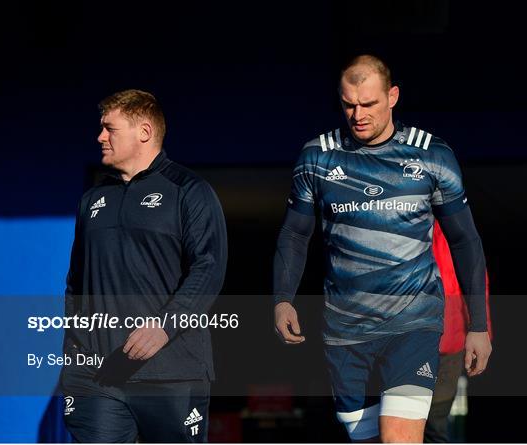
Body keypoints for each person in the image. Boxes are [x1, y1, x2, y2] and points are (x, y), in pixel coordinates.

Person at [273, 55, 492, 443]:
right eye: (348, 104)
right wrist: (283, 299)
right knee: (370, 439)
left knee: (398, 437)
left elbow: (465, 241)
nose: (357, 115)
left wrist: (478, 326)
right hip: (345, 332)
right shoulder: (317, 157)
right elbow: (294, 235)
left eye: (368, 104)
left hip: (413, 326)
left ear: (392, 97)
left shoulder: (431, 155)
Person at [60, 89, 228, 442]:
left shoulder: (188, 190)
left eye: (110, 128)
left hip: (172, 373)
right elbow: (76, 282)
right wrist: (74, 352)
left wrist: (165, 326)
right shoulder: (93, 199)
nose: (100, 137)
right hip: (98, 375)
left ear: (144, 132)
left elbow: (208, 269)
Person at [424, 221, 492, 443]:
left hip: (449, 344)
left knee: (436, 421)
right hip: (406, 341)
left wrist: (483, 331)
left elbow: (477, 281)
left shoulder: (456, 226)